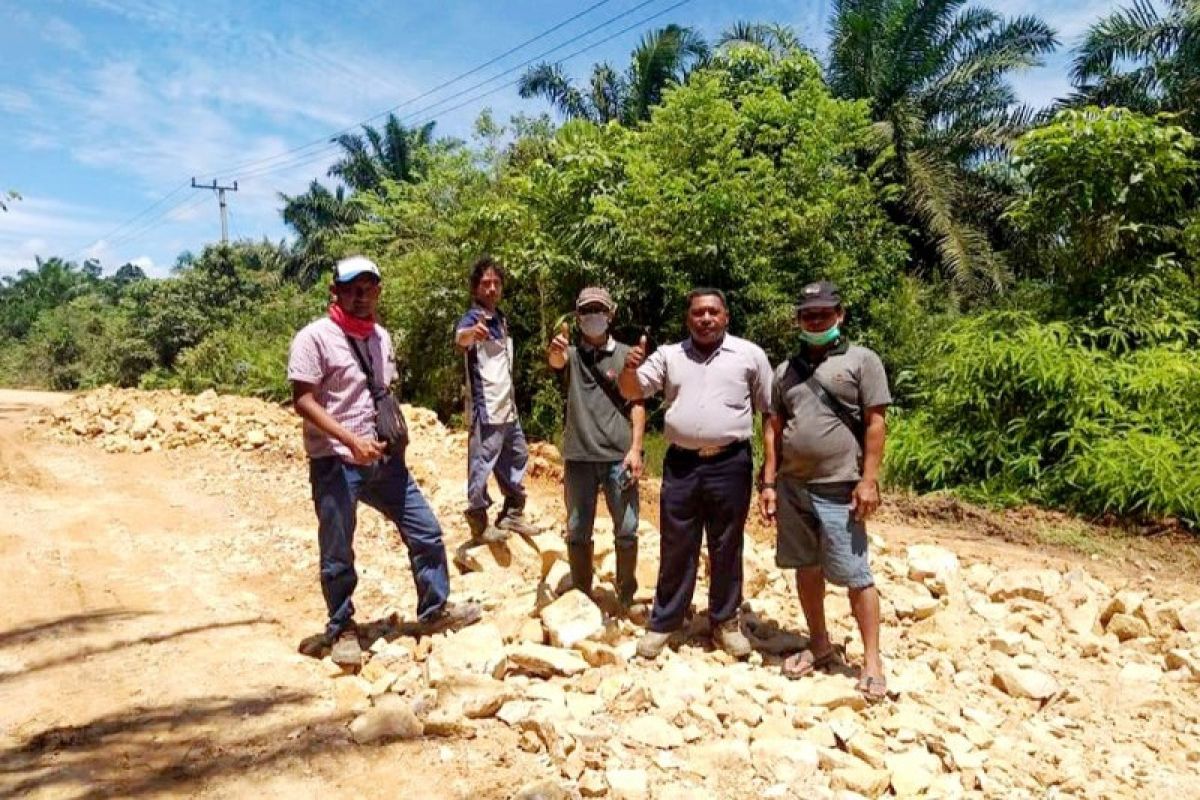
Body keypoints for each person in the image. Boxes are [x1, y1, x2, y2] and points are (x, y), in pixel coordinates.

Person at [289, 255, 480, 668]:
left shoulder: (381, 337)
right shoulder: (314, 338)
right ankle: (341, 627)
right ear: (335, 291)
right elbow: (302, 400)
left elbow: (382, 391)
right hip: (336, 460)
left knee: (426, 530)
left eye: (369, 288)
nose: (361, 296)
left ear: (378, 291)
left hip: (384, 459)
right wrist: (350, 440)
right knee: (338, 549)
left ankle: (434, 610)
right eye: (352, 288)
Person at [618, 288, 775, 659]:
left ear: (726, 317)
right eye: (698, 313)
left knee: (727, 544)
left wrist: (770, 475)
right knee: (677, 543)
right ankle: (665, 622)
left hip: (731, 462)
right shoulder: (669, 355)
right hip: (682, 463)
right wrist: (628, 368)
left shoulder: (750, 355)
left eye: (712, 312)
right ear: (688, 319)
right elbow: (632, 390)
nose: (705, 319)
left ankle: (725, 622)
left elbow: (770, 414)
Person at [758, 280, 891, 702]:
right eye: (808, 315)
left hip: (840, 486)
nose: (815, 320)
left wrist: (868, 479)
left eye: (823, 313)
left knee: (856, 574)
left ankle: (872, 662)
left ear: (839, 315)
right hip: (793, 486)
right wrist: (768, 482)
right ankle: (819, 643)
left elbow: (875, 423)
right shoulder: (785, 371)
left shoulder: (862, 361)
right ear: (798, 320)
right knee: (806, 568)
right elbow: (773, 429)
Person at [547, 287, 646, 614]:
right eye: (587, 310)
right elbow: (556, 361)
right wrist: (555, 351)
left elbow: (637, 405)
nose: (593, 316)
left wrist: (636, 449)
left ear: (610, 314)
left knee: (628, 528)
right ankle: (581, 592)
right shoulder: (572, 355)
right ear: (578, 316)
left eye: (599, 310)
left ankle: (626, 593)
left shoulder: (627, 355)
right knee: (577, 528)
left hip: (619, 456)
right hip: (579, 456)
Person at [454, 256, 539, 544]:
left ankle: (513, 512)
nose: (491, 288)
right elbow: (460, 339)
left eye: (496, 283)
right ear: (476, 288)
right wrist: (472, 334)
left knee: (517, 455)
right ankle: (478, 521)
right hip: (486, 407)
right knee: (481, 462)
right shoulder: (472, 318)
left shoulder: (501, 319)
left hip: (507, 405)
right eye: (485, 283)